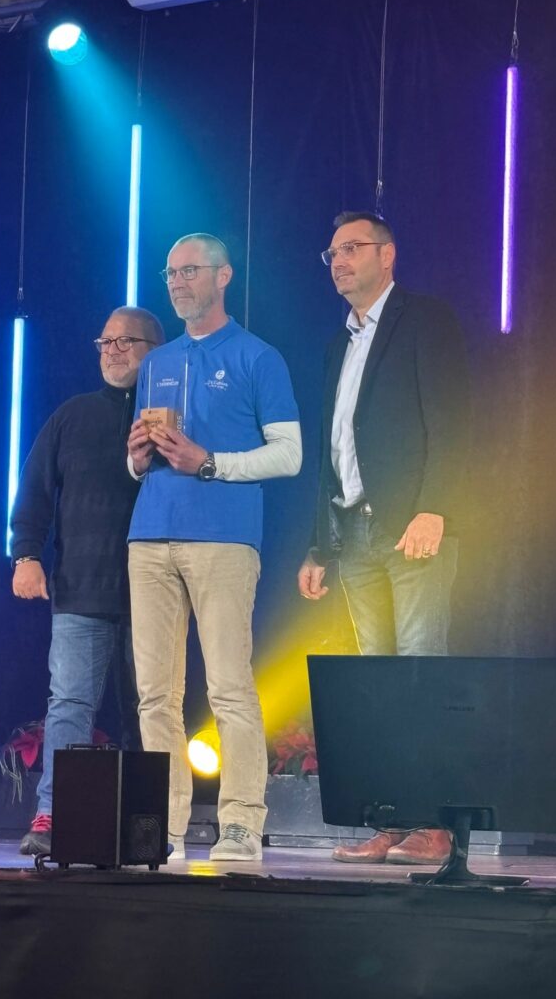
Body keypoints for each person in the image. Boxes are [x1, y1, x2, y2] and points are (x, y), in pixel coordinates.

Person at [298, 211, 470, 866]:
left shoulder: (424, 320)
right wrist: (320, 545)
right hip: (355, 533)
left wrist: (435, 508)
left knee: (422, 675)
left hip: (409, 528)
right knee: (380, 684)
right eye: (332, 253)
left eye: (352, 248)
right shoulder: (336, 345)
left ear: (387, 254)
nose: (339, 261)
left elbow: (452, 422)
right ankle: (394, 820)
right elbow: (332, 451)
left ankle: (436, 826)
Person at [127, 233, 302, 861]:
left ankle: (241, 825)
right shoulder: (157, 362)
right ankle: (162, 827)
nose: (177, 282)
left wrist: (210, 464)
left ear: (223, 276)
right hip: (150, 536)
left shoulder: (258, 357)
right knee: (155, 695)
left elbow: (289, 455)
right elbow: (143, 462)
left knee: (228, 687)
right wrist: (135, 458)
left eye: (190, 271)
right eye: (170, 273)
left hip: (224, 538)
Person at [11, 305, 164, 857]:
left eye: (125, 342)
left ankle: (150, 824)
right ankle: (54, 815)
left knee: (151, 709)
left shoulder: (175, 419)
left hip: (158, 591)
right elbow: (33, 490)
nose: (112, 351)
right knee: (70, 705)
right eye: (105, 342)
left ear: (155, 351)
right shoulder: (72, 415)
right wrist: (26, 554)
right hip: (82, 588)